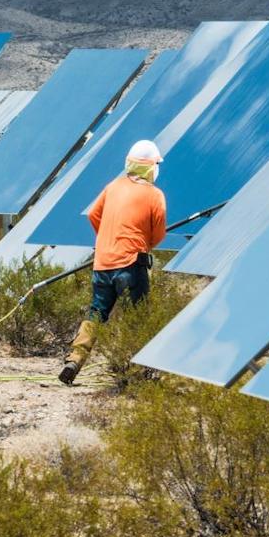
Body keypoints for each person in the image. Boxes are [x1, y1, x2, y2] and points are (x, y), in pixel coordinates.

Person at [59, 139, 167, 385]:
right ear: (150, 167)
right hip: (131, 264)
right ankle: (139, 372)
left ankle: (74, 360)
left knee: (96, 313)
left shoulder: (113, 187)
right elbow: (159, 232)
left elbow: (95, 215)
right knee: (137, 317)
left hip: (103, 263)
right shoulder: (154, 194)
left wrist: (110, 239)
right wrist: (140, 243)